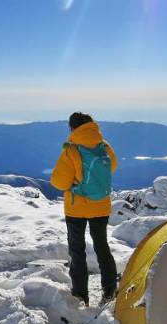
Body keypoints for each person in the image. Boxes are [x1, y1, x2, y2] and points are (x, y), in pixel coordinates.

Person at [50, 112, 118, 307]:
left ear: (72, 128)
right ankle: (110, 290)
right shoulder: (103, 146)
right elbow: (112, 166)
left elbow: (58, 181)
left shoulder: (71, 150)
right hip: (101, 205)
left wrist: (75, 182)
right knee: (102, 246)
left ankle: (81, 296)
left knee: (77, 250)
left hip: (76, 208)